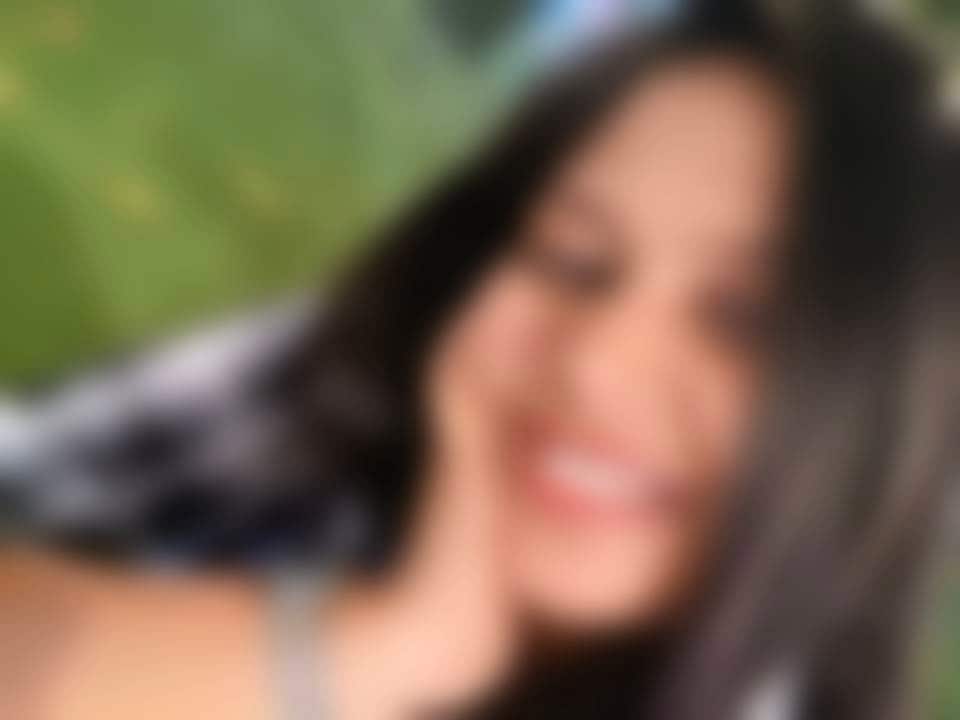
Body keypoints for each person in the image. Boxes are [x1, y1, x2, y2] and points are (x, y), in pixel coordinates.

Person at [1, 3, 957, 719]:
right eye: (572, 259)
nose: (593, 363)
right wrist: (399, 641)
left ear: (880, 435)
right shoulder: (379, 361)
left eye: (744, 320)